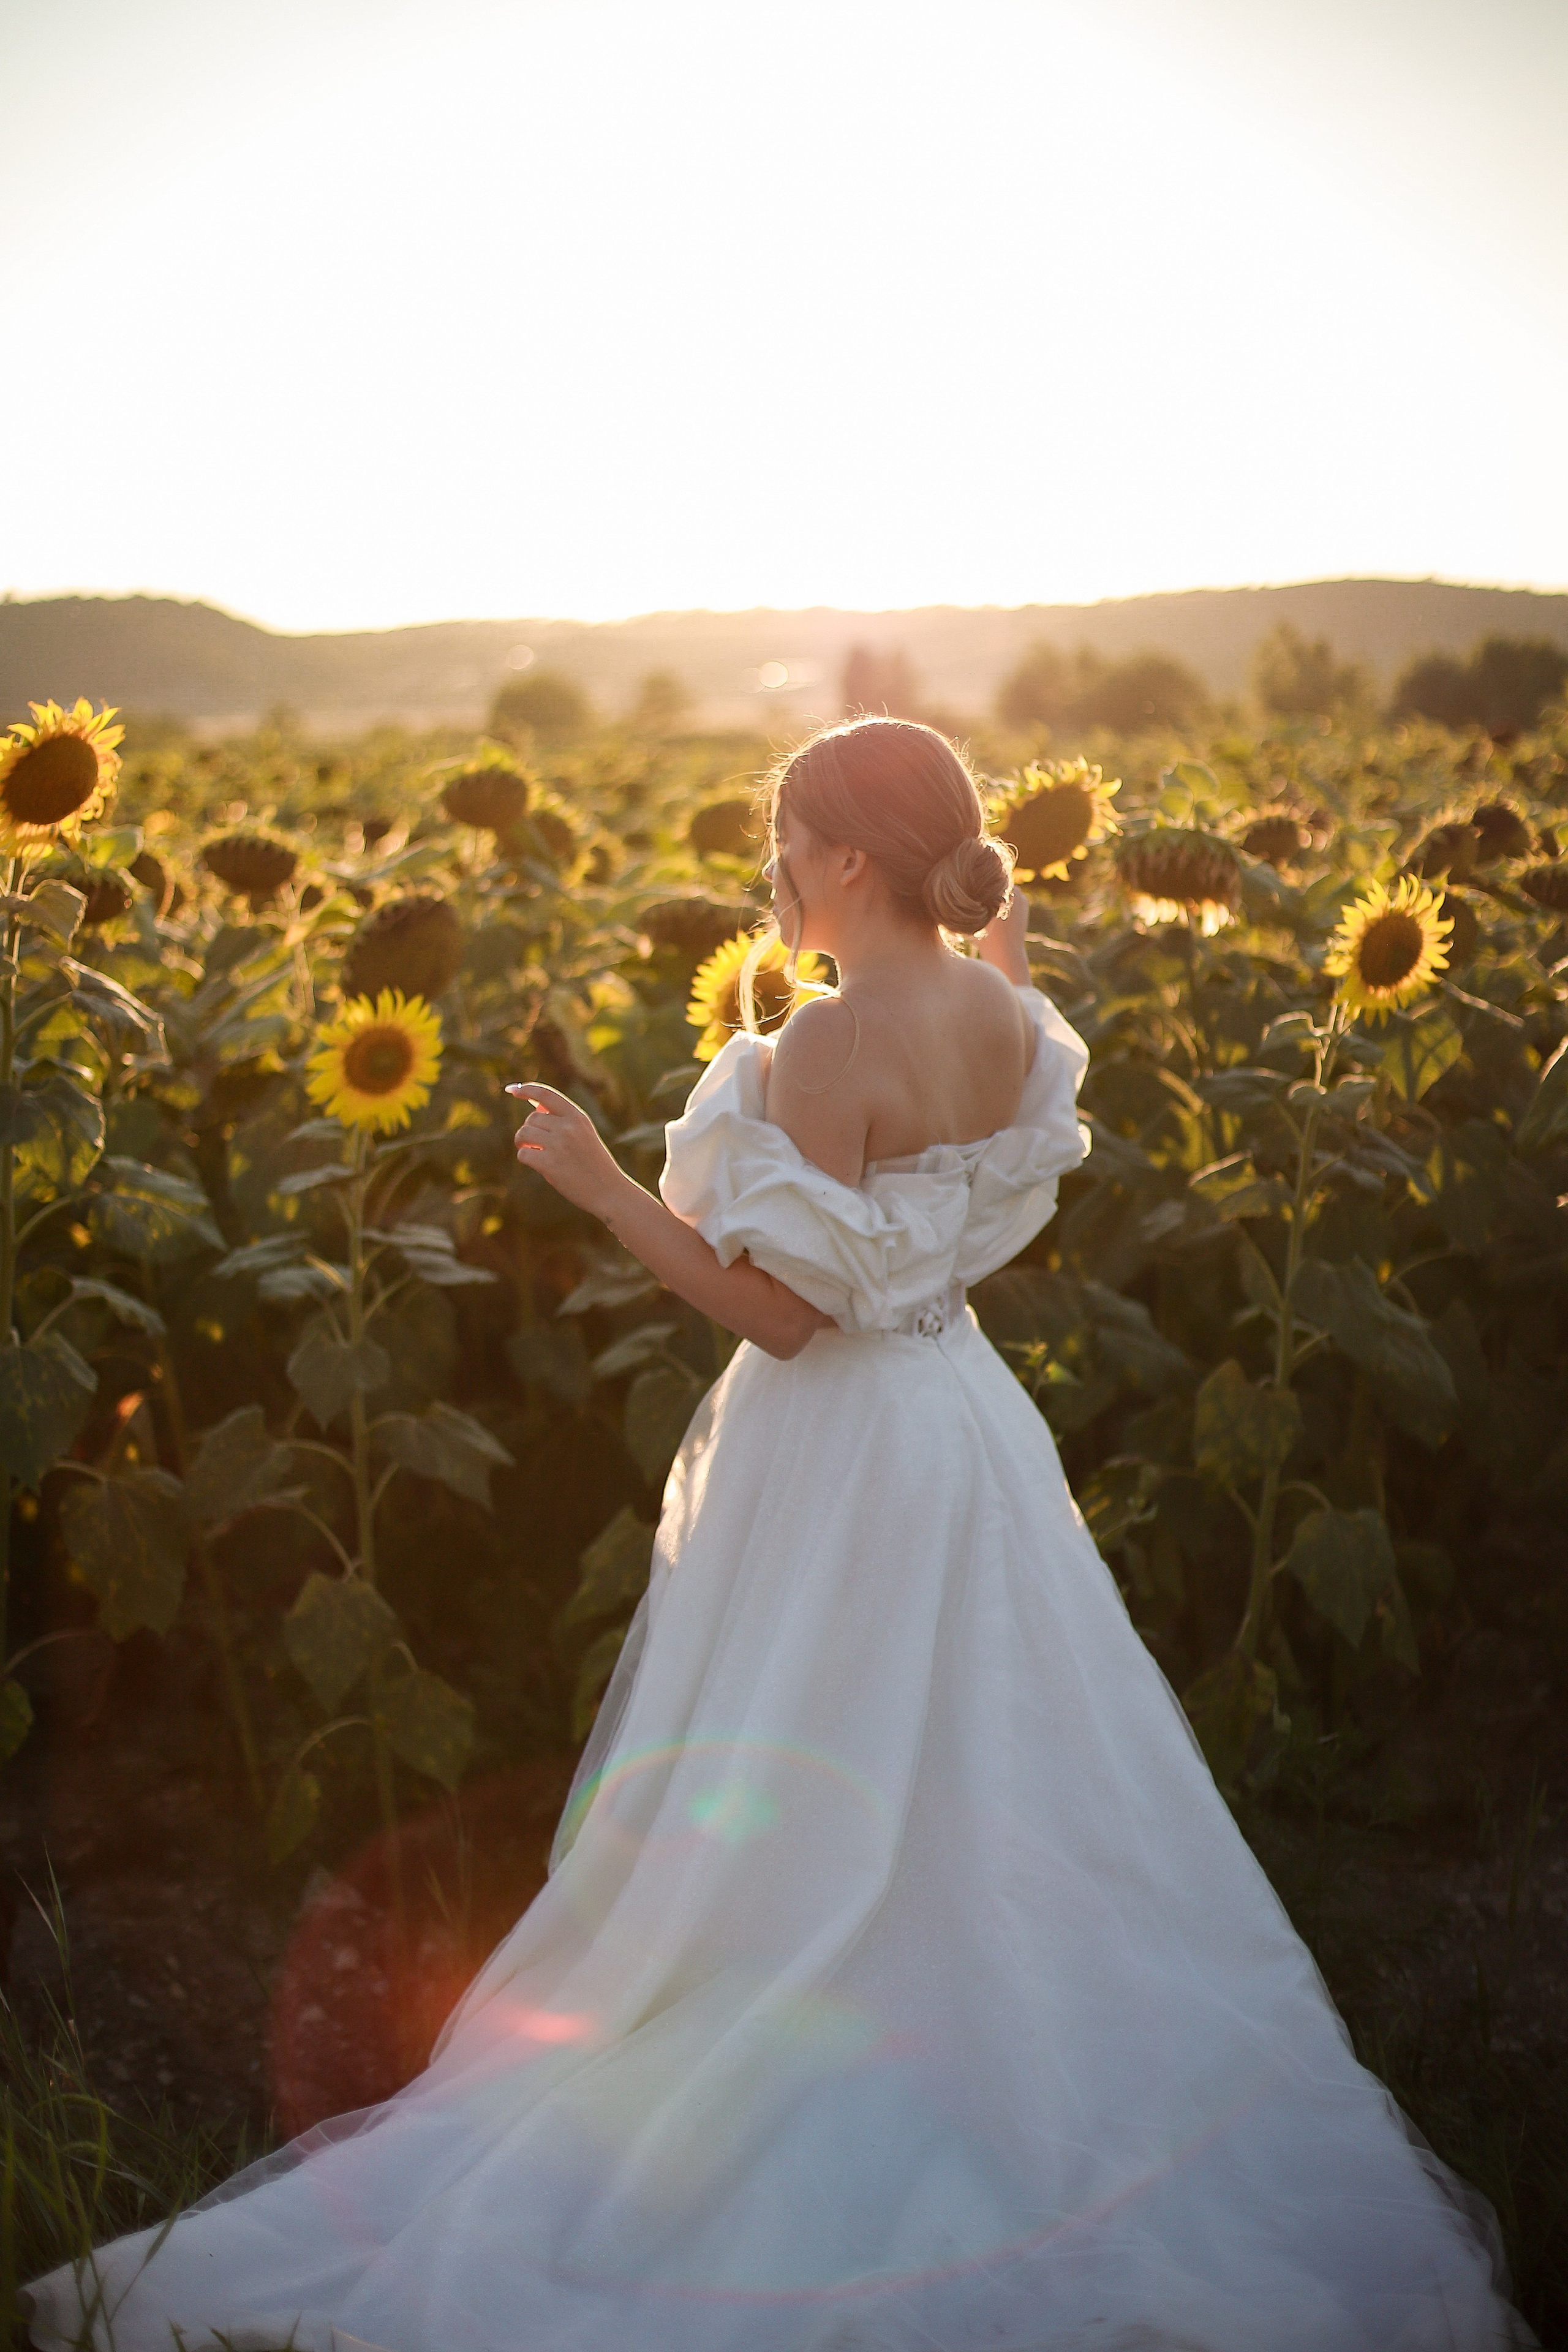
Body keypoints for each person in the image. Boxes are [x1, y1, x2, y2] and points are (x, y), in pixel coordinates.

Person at [24, 718, 1531, 2351]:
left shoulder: (826, 1049)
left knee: (801, 1777)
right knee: (991, 1761)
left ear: (848, 862)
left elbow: (791, 1316)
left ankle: (817, 2060)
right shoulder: (997, 1006)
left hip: (842, 1448)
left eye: (786, 850)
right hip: (965, 1424)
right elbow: (954, 1200)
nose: (773, 879)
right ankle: (995, 2041)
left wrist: (606, 1188)